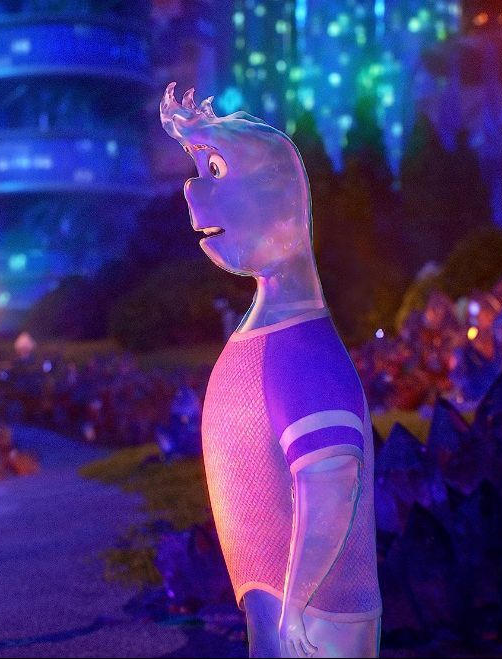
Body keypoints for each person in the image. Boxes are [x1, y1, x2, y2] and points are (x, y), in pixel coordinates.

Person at [160, 84, 381, 658]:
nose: (194, 191)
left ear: (279, 199)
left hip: (319, 624)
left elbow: (331, 487)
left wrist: (299, 602)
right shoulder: (265, 341)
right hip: (278, 615)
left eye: (216, 171)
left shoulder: (302, 355)